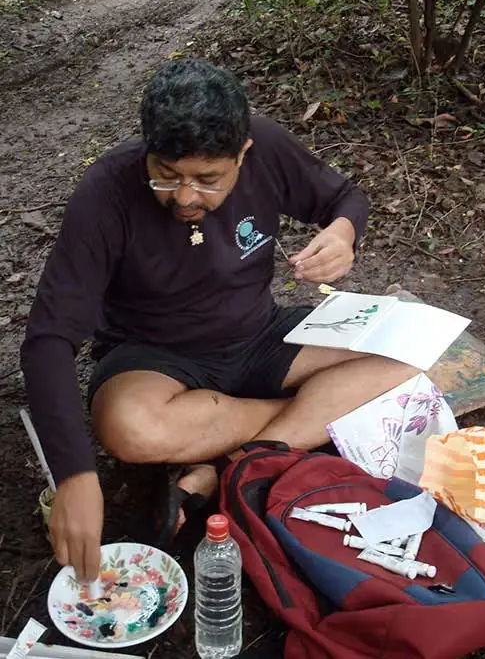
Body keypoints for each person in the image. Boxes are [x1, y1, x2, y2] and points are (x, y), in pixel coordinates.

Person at [21, 58, 415, 585]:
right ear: (147, 150)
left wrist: (343, 234)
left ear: (242, 154)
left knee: (408, 353)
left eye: (208, 180)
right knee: (129, 429)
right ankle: (306, 420)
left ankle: (221, 464)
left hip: (260, 335)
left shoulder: (268, 148)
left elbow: (344, 199)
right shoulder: (106, 191)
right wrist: (75, 475)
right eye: (166, 174)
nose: (185, 196)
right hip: (154, 357)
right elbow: (47, 339)